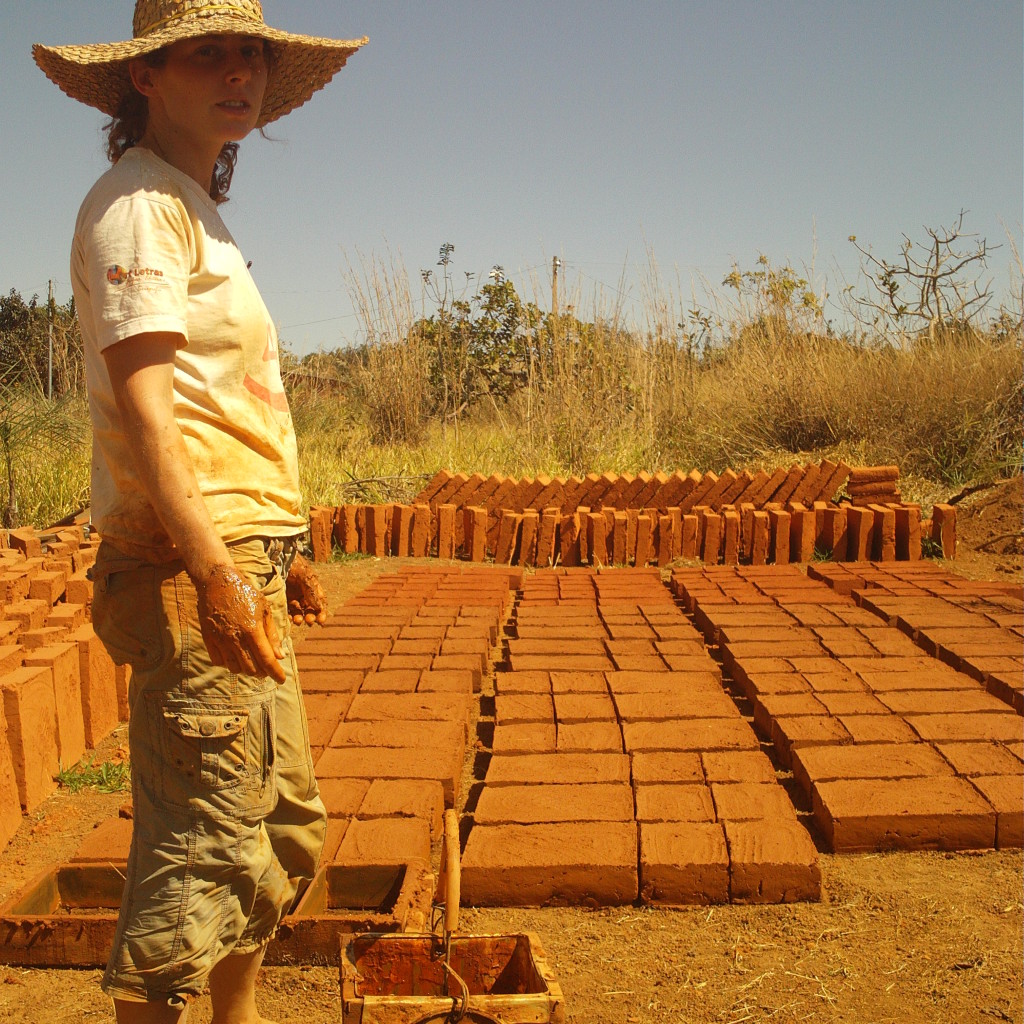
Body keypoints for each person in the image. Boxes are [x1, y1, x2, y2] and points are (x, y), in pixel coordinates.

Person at [33, 3, 367, 1021]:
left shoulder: (187, 203)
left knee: (275, 824)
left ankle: (239, 1015)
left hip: (236, 552)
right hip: (192, 567)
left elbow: (222, 406)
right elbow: (146, 416)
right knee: (203, 846)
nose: (239, 74)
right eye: (207, 54)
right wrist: (217, 567)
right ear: (146, 77)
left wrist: (280, 547)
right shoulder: (138, 203)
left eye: (250, 55)